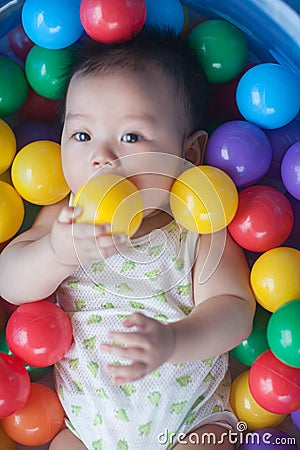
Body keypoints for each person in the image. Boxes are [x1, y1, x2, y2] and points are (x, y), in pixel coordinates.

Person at [0, 29, 255, 450]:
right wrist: (54, 253)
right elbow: (9, 279)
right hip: (85, 433)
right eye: (81, 136)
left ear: (189, 155)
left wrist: (174, 341)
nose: (101, 157)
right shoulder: (67, 219)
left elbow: (233, 312)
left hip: (190, 424)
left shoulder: (197, 226)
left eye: (131, 137)